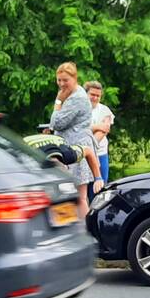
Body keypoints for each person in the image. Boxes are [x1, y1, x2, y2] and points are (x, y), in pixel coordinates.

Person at [50, 62, 95, 216]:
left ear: (74, 78)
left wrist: (58, 101)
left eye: (65, 80)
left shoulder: (77, 98)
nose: (61, 84)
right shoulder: (72, 94)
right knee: (74, 196)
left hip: (75, 151)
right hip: (71, 150)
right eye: (59, 80)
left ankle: (84, 232)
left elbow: (56, 123)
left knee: (78, 197)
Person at [24, 129, 104, 191]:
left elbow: (88, 150)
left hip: (55, 140)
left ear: (66, 166)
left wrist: (98, 179)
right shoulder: (30, 160)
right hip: (27, 143)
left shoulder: (68, 154)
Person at [85, 81, 114, 195]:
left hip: (100, 153)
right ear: (86, 94)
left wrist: (87, 134)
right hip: (83, 155)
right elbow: (77, 131)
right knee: (83, 191)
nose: (95, 98)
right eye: (92, 94)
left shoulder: (104, 110)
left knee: (100, 190)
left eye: (98, 95)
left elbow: (104, 130)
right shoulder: (80, 110)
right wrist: (96, 126)